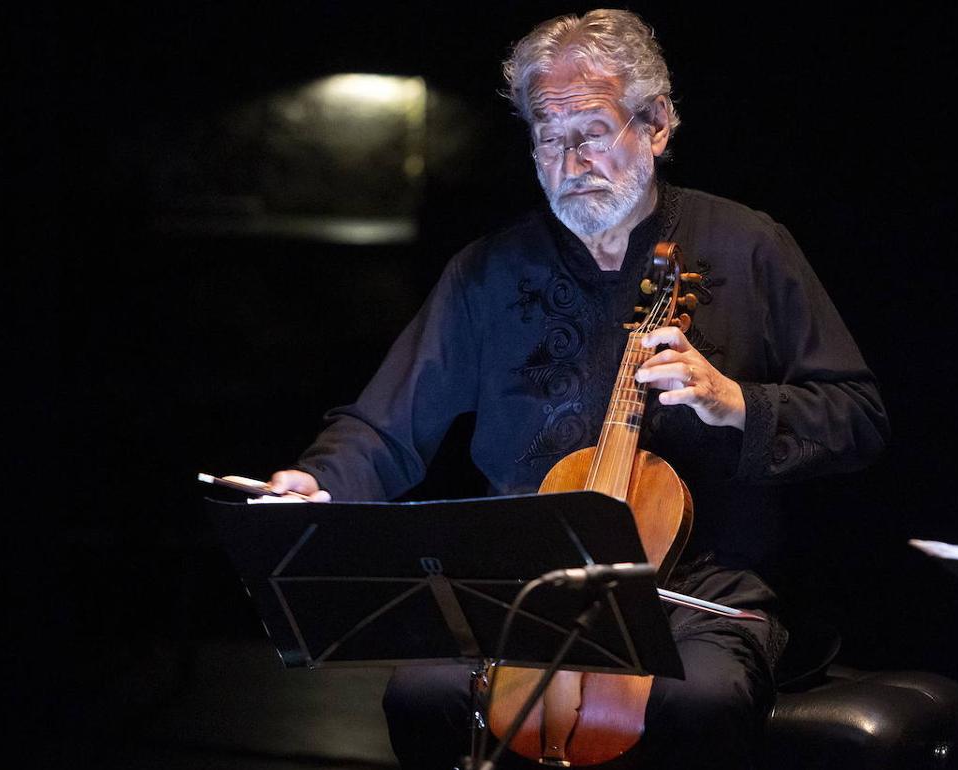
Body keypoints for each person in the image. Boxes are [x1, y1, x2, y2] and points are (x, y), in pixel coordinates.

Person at [266, 9, 888, 769]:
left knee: (696, 701)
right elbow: (385, 427)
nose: (570, 160)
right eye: (547, 139)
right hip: (531, 598)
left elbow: (858, 416)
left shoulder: (747, 245)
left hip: (699, 602)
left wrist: (735, 402)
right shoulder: (489, 272)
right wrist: (317, 482)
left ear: (655, 125)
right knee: (422, 693)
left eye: (590, 131)